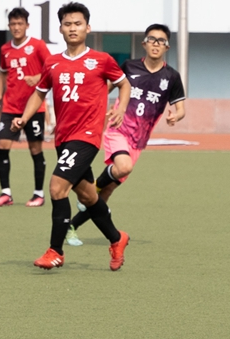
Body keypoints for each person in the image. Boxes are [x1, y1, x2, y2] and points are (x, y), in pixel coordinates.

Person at [12, 2, 131, 271]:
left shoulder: (102, 60)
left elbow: (124, 83)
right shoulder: (53, 62)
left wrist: (120, 107)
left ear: (88, 27)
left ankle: (55, 251)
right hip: (63, 139)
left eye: (78, 23)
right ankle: (117, 238)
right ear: (60, 29)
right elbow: (40, 93)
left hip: (87, 136)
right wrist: (24, 117)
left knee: (56, 188)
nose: (73, 28)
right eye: (68, 24)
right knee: (89, 197)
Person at [66, 23, 186, 240]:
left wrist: (175, 116)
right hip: (118, 129)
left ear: (167, 47)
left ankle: (72, 226)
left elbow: (181, 109)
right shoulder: (129, 67)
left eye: (161, 41)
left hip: (139, 141)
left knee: (107, 192)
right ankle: (93, 186)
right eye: (152, 39)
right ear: (144, 43)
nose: (156, 44)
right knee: (123, 167)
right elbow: (105, 88)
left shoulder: (172, 77)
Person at [0, 7, 50, 207]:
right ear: (9, 26)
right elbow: (2, 72)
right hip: (10, 106)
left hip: (33, 108)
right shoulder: (5, 49)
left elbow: (52, 69)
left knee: (35, 149)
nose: (16, 27)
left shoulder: (38, 46)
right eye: (13, 24)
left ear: (27, 25)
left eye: (20, 24)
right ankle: (6, 193)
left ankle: (39, 194)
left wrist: (38, 78)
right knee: (2, 146)